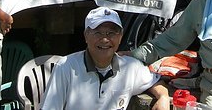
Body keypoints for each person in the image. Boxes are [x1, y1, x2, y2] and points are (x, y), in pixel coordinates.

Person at [42, 7, 170, 110]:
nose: (104, 39)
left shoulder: (131, 67)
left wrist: (163, 97)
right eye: (98, 32)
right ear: (86, 36)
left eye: (111, 33)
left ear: (120, 37)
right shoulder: (65, 67)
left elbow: (155, 81)